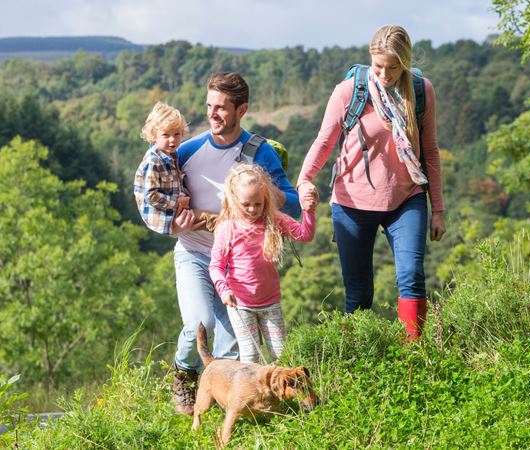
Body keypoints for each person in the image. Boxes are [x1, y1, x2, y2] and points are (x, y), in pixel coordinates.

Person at [297, 25, 446, 340]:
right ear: (370, 59)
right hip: (352, 203)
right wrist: (304, 180)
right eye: (379, 66)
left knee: (411, 276)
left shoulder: (421, 90)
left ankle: (413, 358)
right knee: (359, 292)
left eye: (394, 67)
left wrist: (439, 210)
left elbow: (430, 151)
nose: (385, 74)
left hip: (407, 198)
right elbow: (324, 142)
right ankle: (355, 361)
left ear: (405, 62)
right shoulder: (350, 91)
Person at [169, 72, 301, 415]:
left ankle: (228, 415)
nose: (213, 114)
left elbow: (293, 201)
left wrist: (256, 192)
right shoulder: (187, 151)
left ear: (242, 109)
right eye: (209, 106)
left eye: (222, 108)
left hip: (238, 266)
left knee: (233, 352)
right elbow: (156, 194)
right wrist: (170, 222)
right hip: (196, 253)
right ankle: (184, 373)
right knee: (199, 322)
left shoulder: (259, 152)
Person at [209, 163, 316, 363]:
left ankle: (280, 393)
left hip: (270, 302)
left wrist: (309, 211)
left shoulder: (274, 220)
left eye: (258, 204)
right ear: (234, 200)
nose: (253, 209)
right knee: (250, 355)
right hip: (240, 304)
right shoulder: (228, 228)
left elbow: (304, 235)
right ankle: (253, 395)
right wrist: (223, 290)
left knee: (281, 355)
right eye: (246, 204)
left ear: (265, 199)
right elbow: (215, 266)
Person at [133, 101, 190, 235]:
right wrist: (177, 203)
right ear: (153, 137)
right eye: (166, 135)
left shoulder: (171, 155)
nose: (172, 140)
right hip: (162, 217)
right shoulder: (153, 162)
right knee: (204, 220)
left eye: (176, 134)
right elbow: (151, 196)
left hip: (173, 209)